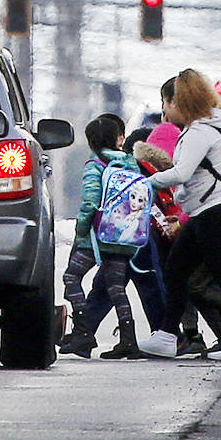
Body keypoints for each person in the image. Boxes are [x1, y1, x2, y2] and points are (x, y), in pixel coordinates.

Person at [137, 70, 221, 361]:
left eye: (170, 102)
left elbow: (182, 172)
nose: (166, 110)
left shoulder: (199, 133)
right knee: (177, 270)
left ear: (181, 103)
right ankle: (168, 335)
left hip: (216, 212)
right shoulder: (206, 129)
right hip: (206, 211)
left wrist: (147, 181)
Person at [60, 116, 146, 360]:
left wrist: (81, 229)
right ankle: (129, 340)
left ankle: (83, 332)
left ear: (91, 141)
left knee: (71, 276)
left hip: (97, 237)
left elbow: (90, 202)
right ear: (118, 138)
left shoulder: (95, 164)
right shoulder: (130, 164)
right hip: (124, 236)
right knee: (116, 287)